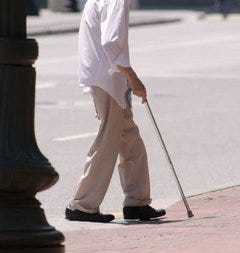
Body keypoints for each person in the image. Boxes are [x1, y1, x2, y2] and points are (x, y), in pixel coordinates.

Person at [65, 0, 166, 223]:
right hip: (107, 79)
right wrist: (134, 78)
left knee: (130, 139)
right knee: (107, 141)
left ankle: (137, 202)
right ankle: (82, 204)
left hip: (107, 78)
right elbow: (111, 43)